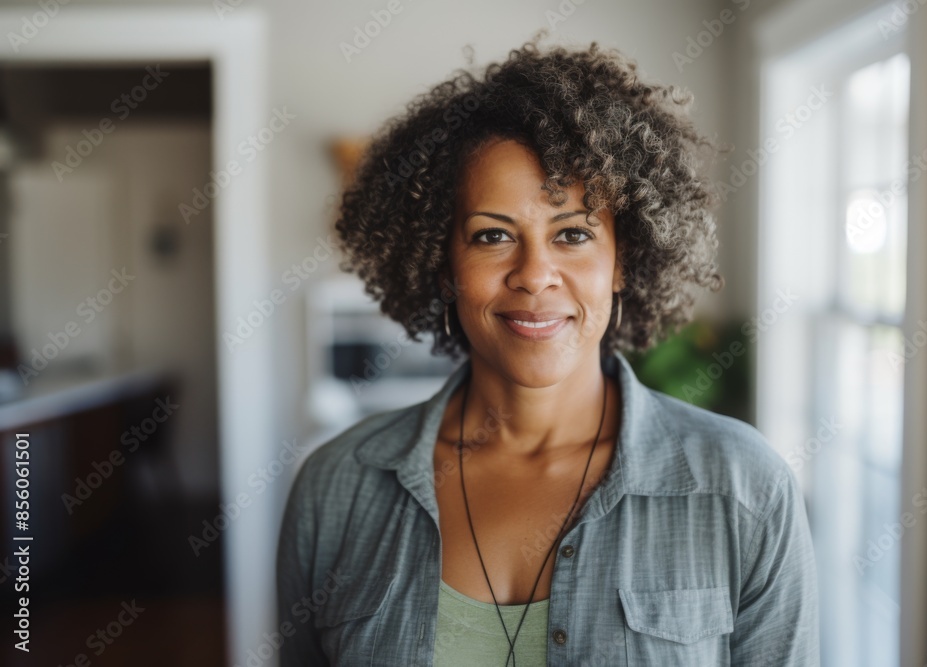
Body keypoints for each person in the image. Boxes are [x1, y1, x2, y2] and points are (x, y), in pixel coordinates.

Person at [277, 34, 820, 666]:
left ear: (624, 260)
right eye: (491, 235)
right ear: (442, 262)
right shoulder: (335, 490)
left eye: (571, 233)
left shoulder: (744, 489)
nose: (535, 275)